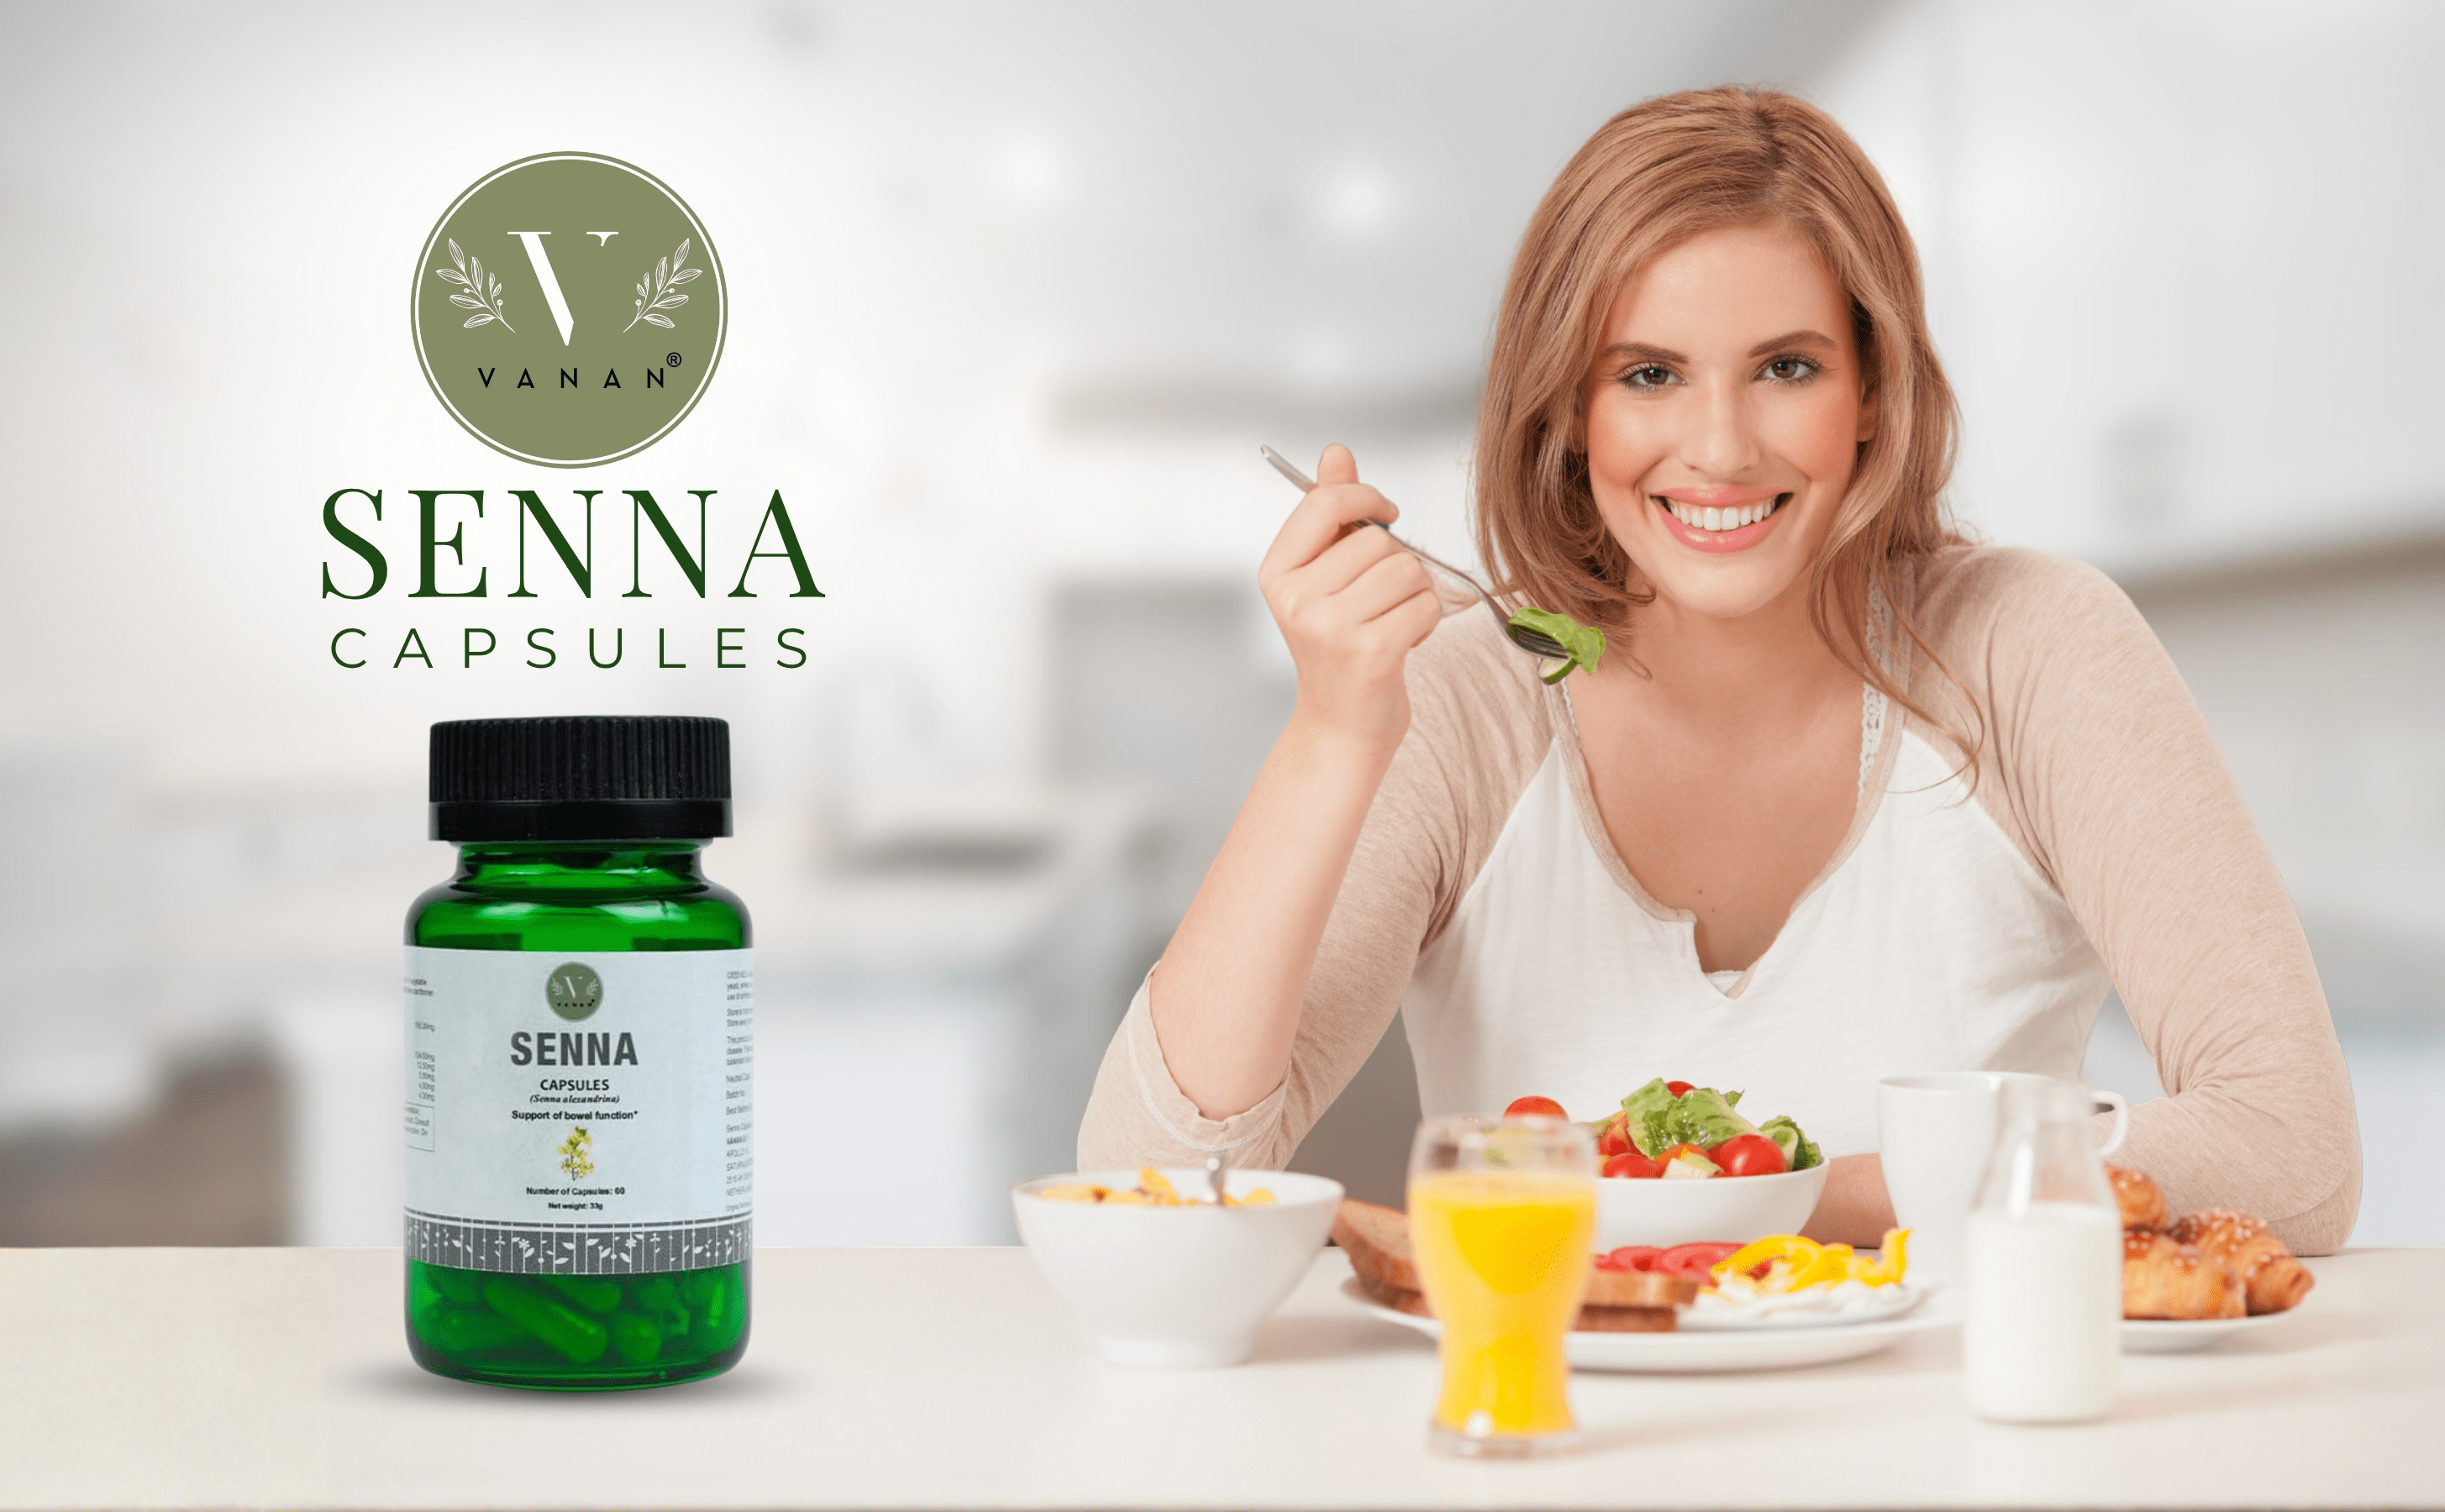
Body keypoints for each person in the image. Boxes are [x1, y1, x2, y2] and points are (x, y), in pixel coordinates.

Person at [1075, 87, 2358, 1253]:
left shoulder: (2028, 650)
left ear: (1871, 389)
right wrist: (1332, 737)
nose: (1720, 447)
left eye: (1786, 368)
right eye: (1646, 376)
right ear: (1567, 417)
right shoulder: (1464, 698)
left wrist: (1736, 1208)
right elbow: (1153, 1182)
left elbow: (2289, 1149)